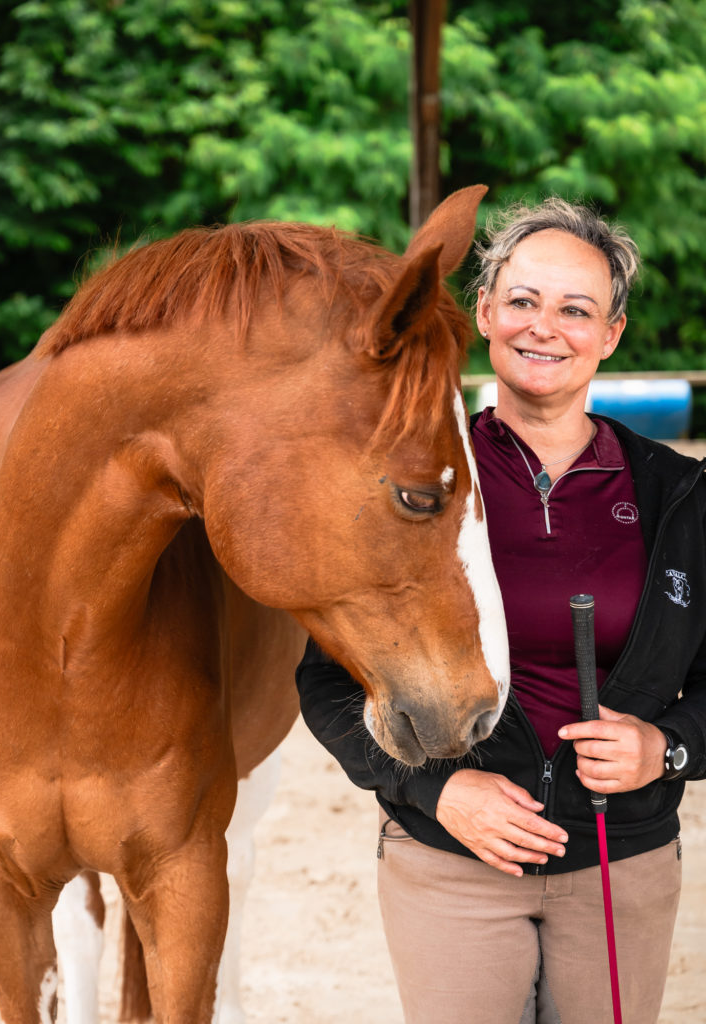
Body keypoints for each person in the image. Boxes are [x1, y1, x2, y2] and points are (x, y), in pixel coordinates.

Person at [295, 197, 706, 1024]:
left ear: (613, 334)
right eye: (522, 300)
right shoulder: (413, 486)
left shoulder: (679, 495)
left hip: (621, 865)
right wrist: (439, 792)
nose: (544, 327)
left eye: (576, 309)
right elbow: (327, 684)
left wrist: (666, 747)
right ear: (484, 312)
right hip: (451, 863)